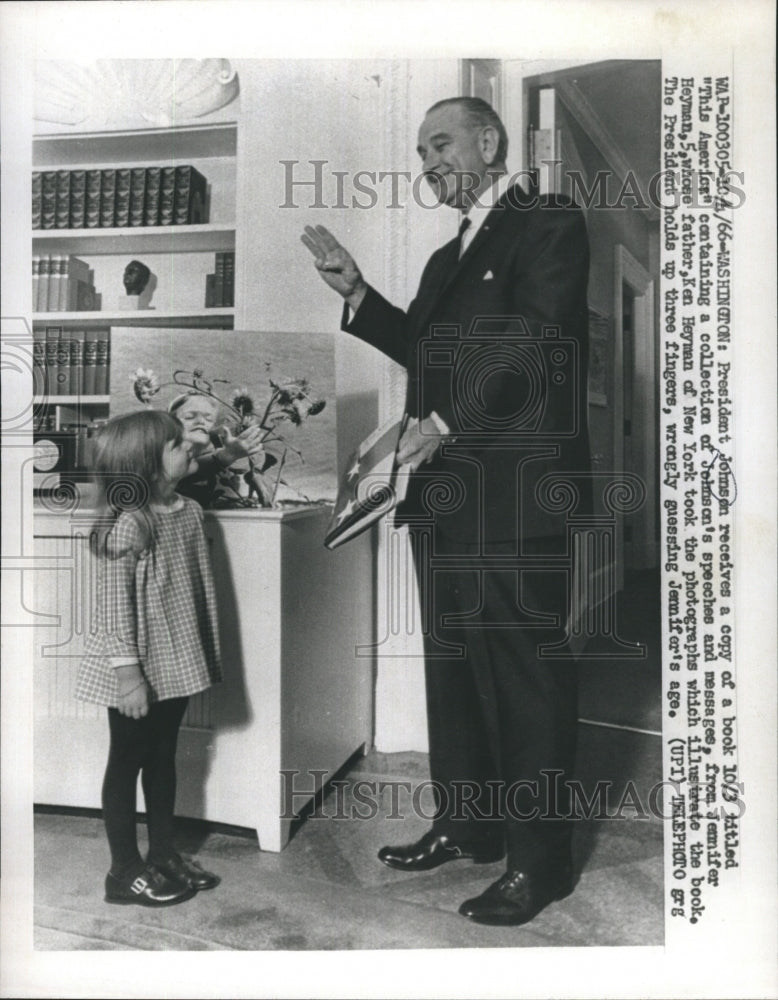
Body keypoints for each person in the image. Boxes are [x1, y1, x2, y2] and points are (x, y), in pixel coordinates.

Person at [302, 96, 591, 926]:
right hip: (443, 496)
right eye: (420, 150)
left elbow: (534, 342)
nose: (428, 161)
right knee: (455, 671)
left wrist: (445, 421)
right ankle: (468, 827)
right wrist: (360, 294)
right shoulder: (442, 259)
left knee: (529, 680)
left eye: (440, 143)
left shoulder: (548, 219)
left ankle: (541, 865)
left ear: (490, 141)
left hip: (519, 496)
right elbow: (426, 353)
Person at [76, 410, 222, 907]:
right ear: (145, 464)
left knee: (162, 757)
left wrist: (229, 451)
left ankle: (162, 853)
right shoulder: (129, 525)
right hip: (134, 666)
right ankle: (123, 871)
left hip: (173, 658)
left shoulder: (186, 509)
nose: (190, 448)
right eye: (177, 443)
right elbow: (115, 609)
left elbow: (205, 459)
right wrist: (129, 676)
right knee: (127, 761)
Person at [169, 392, 269, 507]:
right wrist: (228, 455)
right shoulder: (164, 451)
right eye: (189, 417)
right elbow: (177, 469)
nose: (201, 421)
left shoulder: (214, 448)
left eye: (208, 418)